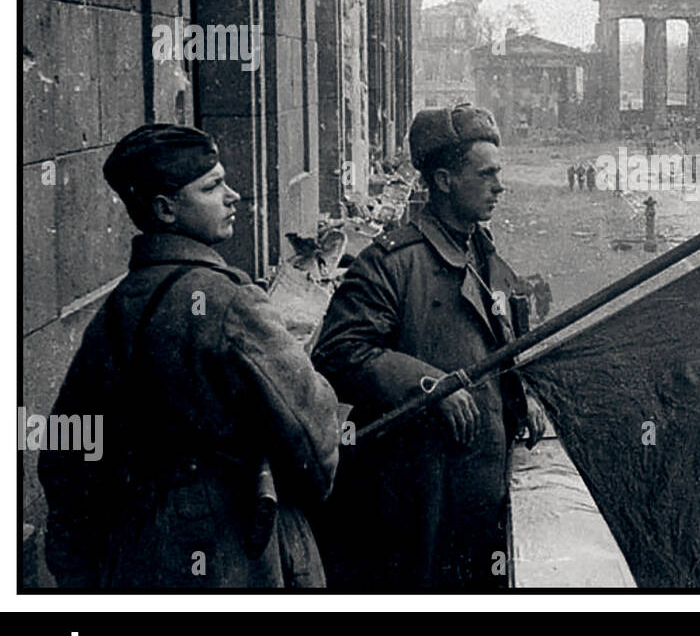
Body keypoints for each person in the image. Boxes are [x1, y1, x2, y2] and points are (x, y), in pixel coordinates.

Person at [38, 124, 341, 589]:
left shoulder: (121, 304)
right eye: (213, 186)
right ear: (166, 209)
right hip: (235, 550)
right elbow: (312, 432)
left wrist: (79, 567)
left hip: (138, 553)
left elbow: (67, 447)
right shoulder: (230, 301)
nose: (234, 196)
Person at [312, 103, 548, 590]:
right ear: (442, 180)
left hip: (479, 489)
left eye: (498, 173)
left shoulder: (485, 256)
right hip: (415, 497)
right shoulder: (393, 263)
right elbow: (337, 350)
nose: (499, 186)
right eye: (485, 175)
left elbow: (500, 346)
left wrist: (522, 394)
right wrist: (427, 384)